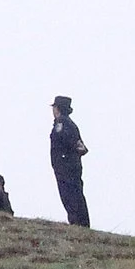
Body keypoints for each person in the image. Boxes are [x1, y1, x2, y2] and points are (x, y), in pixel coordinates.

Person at [49, 95, 90, 227]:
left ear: (58, 108)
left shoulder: (62, 124)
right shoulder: (70, 124)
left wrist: (63, 159)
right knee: (76, 193)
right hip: (71, 165)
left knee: (69, 195)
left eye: (54, 107)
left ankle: (77, 222)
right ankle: (80, 222)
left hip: (65, 166)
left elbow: (72, 143)